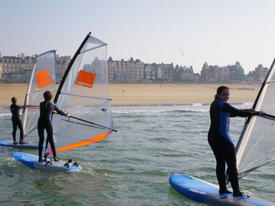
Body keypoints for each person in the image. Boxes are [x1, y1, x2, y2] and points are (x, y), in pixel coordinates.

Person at [208, 86, 263, 197]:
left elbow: (231, 113)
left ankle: (223, 189)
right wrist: (256, 113)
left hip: (213, 138)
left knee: (221, 163)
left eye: (228, 94)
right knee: (232, 165)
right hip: (222, 138)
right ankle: (236, 192)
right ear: (218, 94)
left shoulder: (215, 104)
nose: (227, 97)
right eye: (224, 94)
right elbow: (237, 112)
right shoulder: (223, 105)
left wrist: (248, 111)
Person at [38, 91, 69, 162]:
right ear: (51, 97)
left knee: (41, 140)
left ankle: (40, 158)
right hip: (47, 123)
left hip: (40, 123)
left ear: (44, 97)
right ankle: (55, 157)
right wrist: (66, 114)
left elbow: (46, 110)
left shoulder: (41, 104)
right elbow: (60, 112)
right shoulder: (52, 104)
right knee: (51, 140)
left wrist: (52, 111)